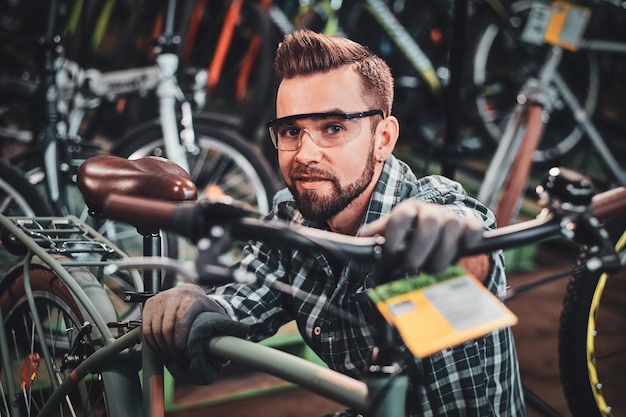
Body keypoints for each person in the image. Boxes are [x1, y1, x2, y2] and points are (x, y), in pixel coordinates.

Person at [142, 29, 526, 416]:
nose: (306, 153)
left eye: (333, 128)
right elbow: (247, 296)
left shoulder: (430, 208)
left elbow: (466, 244)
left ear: (383, 139)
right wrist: (195, 303)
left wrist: (447, 242)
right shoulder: (293, 221)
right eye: (292, 131)